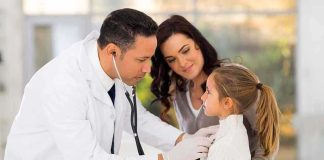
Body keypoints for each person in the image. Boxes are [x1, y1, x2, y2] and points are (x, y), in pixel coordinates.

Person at [4, 8, 215, 160]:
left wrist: (183, 139)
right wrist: (167, 159)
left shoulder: (115, 70)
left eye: (150, 59)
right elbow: (89, 157)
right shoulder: (63, 85)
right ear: (112, 51)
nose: (148, 69)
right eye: (141, 60)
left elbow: (137, 119)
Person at [150, 15, 269, 159]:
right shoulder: (178, 92)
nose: (182, 63)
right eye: (171, 60)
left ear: (197, 43)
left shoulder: (231, 79)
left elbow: (265, 140)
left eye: (185, 50)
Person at [201, 64, 280, 160]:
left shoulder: (224, 146)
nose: (202, 97)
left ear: (227, 102)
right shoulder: (232, 134)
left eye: (208, 92)